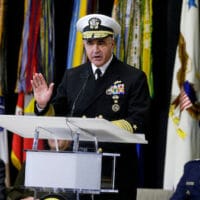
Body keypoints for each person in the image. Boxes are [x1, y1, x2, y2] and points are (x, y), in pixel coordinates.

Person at [31, 14, 151, 200]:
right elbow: (57, 115)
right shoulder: (73, 76)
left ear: (113, 43)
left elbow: (139, 120)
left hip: (115, 168)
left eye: (101, 43)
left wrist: (104, 128)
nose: (95, 49)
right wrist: (42, 104)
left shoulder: (133, 77)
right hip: (77, 166)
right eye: (90, 43)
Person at [7, 139, 73, 200]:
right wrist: (24, 198)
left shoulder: (74, 163)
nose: (54, 138)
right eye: (50, 133)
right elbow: (14, 191)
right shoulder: (32, 160)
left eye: (59, 134)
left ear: (68, 140)